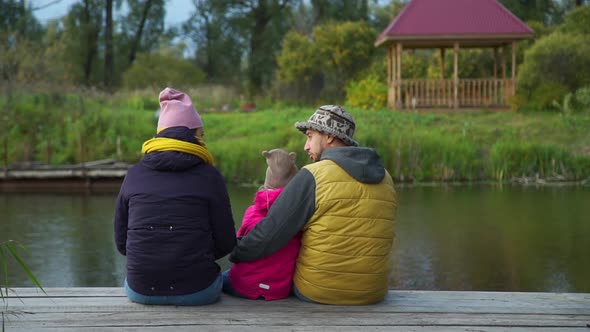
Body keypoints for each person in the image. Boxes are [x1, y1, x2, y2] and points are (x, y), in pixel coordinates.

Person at [229, 105, 397, 305]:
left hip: (319, 291)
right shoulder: (385, 177)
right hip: (373, 292)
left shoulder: (314, 175)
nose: (305, 147)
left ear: (329, 137)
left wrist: (234, 252)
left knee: (227, 278)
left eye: (309, 136)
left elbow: (269, 236)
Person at [114, 87, 236, 306]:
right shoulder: (210, 177)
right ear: (192, 136)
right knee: (228, 278)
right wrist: (195, 254)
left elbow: (122, 244)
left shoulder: (134, 174)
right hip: (199, 291)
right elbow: (226, 242)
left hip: (141, 291)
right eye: (201, 134)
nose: (204, 140)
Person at [223, 148, 301, 300]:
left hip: (245, 286)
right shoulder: (298, 215)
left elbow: (240, 244)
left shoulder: (253, 212)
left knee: (221, 278)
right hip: (280, 289)